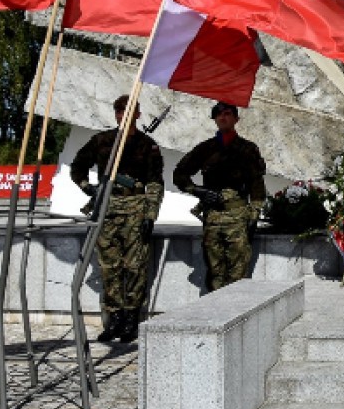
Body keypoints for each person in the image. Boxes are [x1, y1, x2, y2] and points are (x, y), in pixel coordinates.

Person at [71, 95, 164, 342]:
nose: (124, 114)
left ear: (137, 114)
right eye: (120, 110)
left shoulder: (148, 145)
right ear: (116, 114)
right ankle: (114, 319)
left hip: (135, 207)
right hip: (106, 209)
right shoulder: (102, 141)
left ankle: (131, 320)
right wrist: (88, 187)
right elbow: (77, 166)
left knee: (135, 267)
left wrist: (150, 214)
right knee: (109, 266)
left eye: (129, 110)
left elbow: (155, 182)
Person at [173, 101, 266, 292]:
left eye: (227, 113)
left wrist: (254, 214)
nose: (223, 117)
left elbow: (256, 184)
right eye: (218, 114)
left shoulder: (247, 149)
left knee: (238, 271)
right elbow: (180, 174)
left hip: (237, 216)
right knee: (214, 271)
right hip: (213, 217)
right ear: (214, 119)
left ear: (236, 119)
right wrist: (197, 191)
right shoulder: (205, 148)